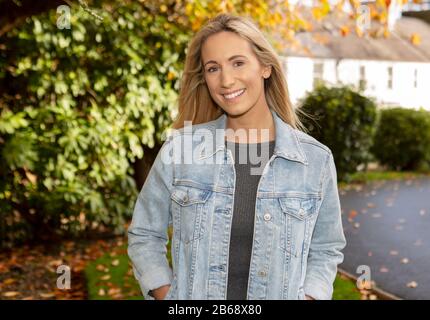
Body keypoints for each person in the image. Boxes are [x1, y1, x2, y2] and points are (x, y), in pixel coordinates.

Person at [127, 13, 346, 300]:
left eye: (238, 63)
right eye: (213, 68)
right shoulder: (180, 151)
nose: (226, 80)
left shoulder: (314, 161)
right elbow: (144, 234)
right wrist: (167, 296)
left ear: (265, 67)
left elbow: (326, 247)